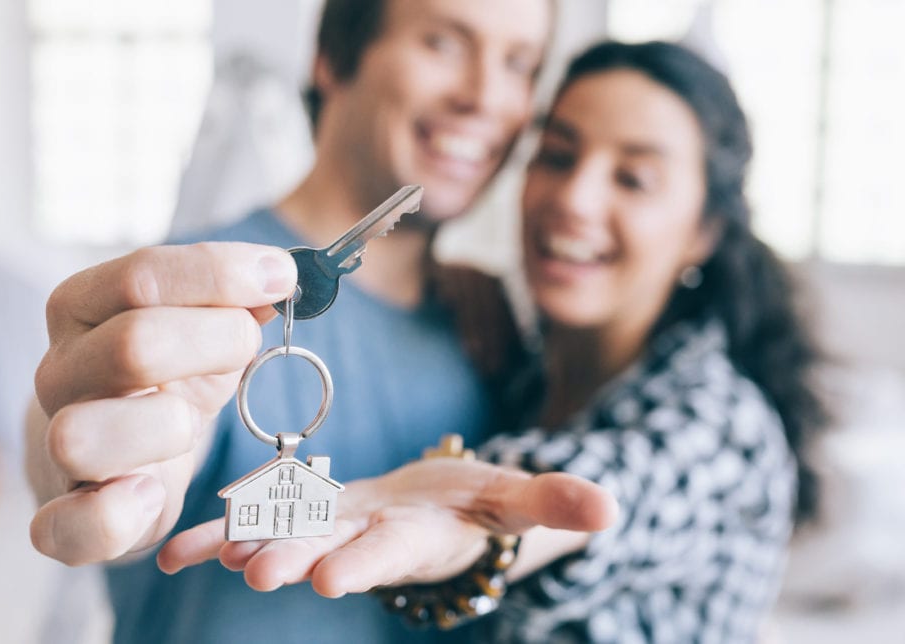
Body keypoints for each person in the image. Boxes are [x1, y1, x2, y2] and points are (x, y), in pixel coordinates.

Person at [163, 40, 830, 643]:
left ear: (703, 233)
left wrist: (479, 515)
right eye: (558, 155)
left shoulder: (718, 425)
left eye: (633, 178)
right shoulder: (506, 356)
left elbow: (597, 491)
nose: (574, 196)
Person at [25, 1, 618, 643]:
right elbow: (115, 423)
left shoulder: (494, 320)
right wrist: (105, 471)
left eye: (519, 63)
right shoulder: (201, 288)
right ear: (334, 57)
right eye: (444, 43)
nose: (486, 96)